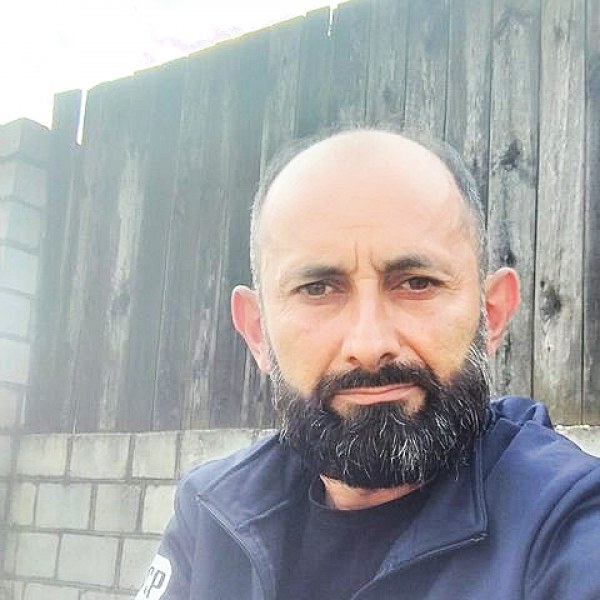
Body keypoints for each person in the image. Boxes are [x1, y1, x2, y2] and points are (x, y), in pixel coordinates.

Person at [136, 126, 600, 600]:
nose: (369, 343)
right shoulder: (210, 514)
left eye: (417, 283)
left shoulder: (570, 521)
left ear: (493, 314)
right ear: (257, 332)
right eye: (317, 289)